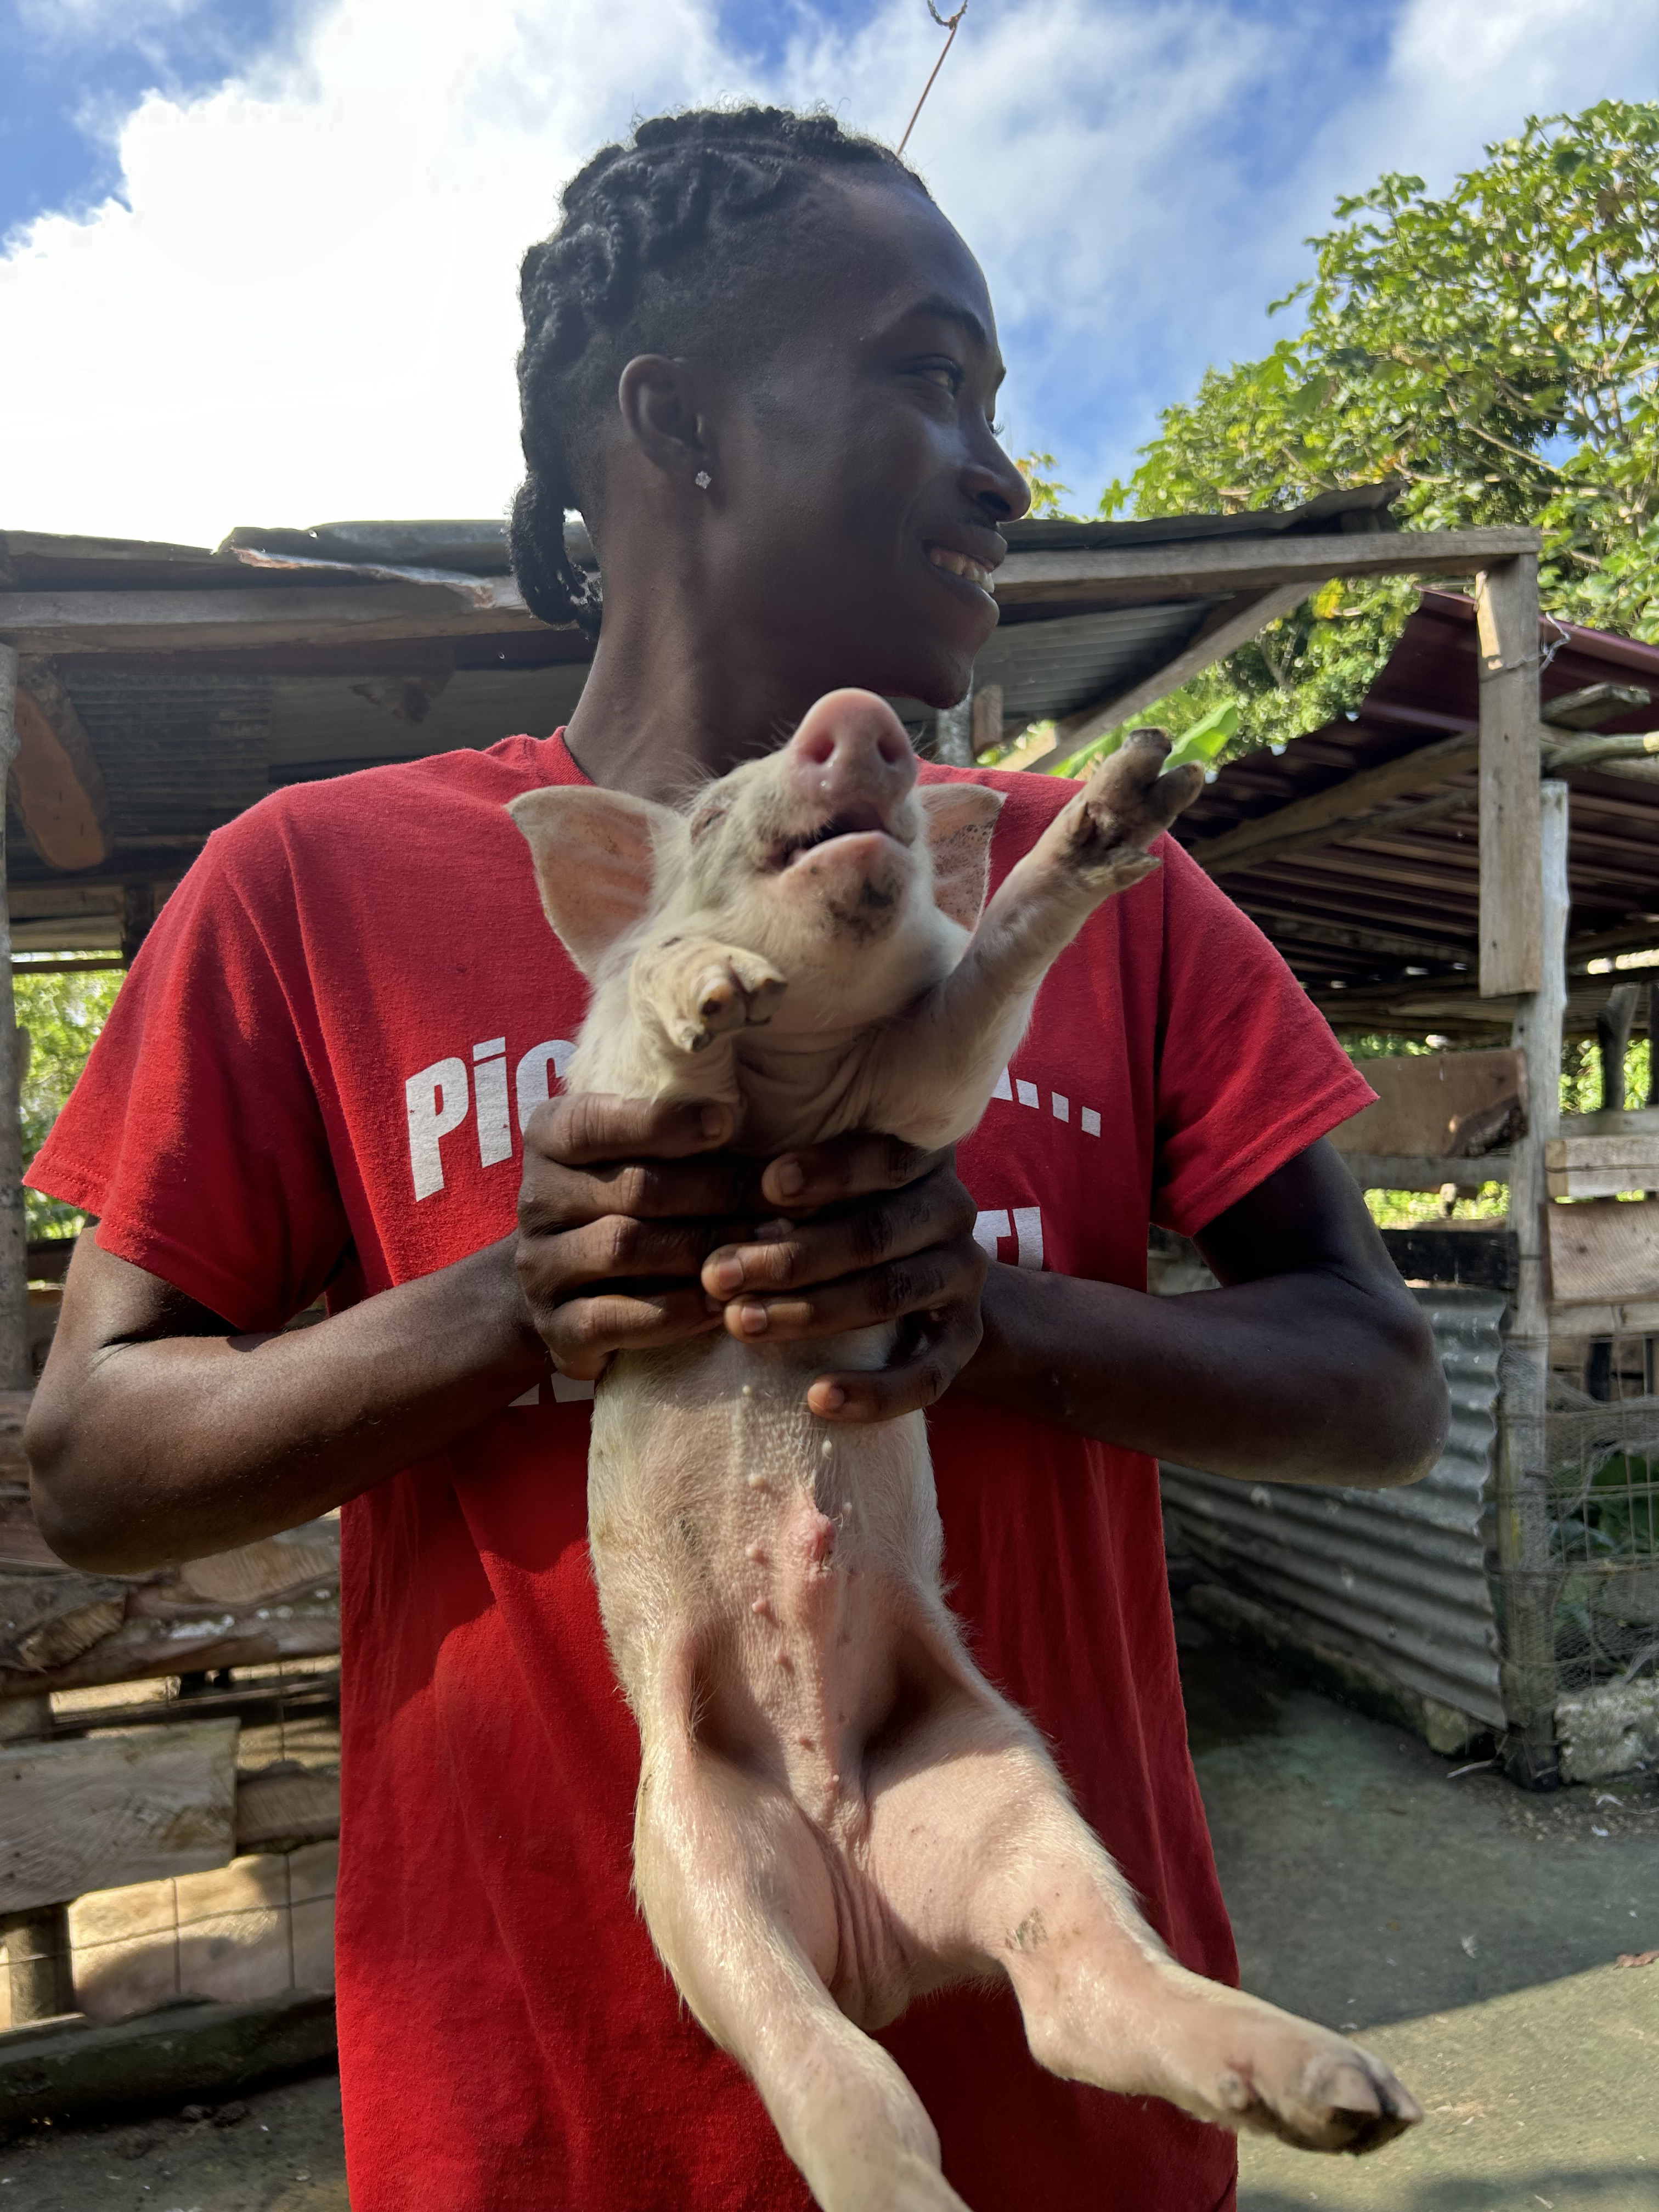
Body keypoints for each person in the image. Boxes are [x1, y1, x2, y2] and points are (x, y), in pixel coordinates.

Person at [24, 107, 1447, 2212]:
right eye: (923, 377)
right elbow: (88, 1468)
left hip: (1074, 2150)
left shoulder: (1094, 886)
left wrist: (984, 1313)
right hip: (549, 2133)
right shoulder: (308, 887)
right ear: (674, 422)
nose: (998, 466)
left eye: (994, 402)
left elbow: (1384, 1385)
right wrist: (513, 1302)